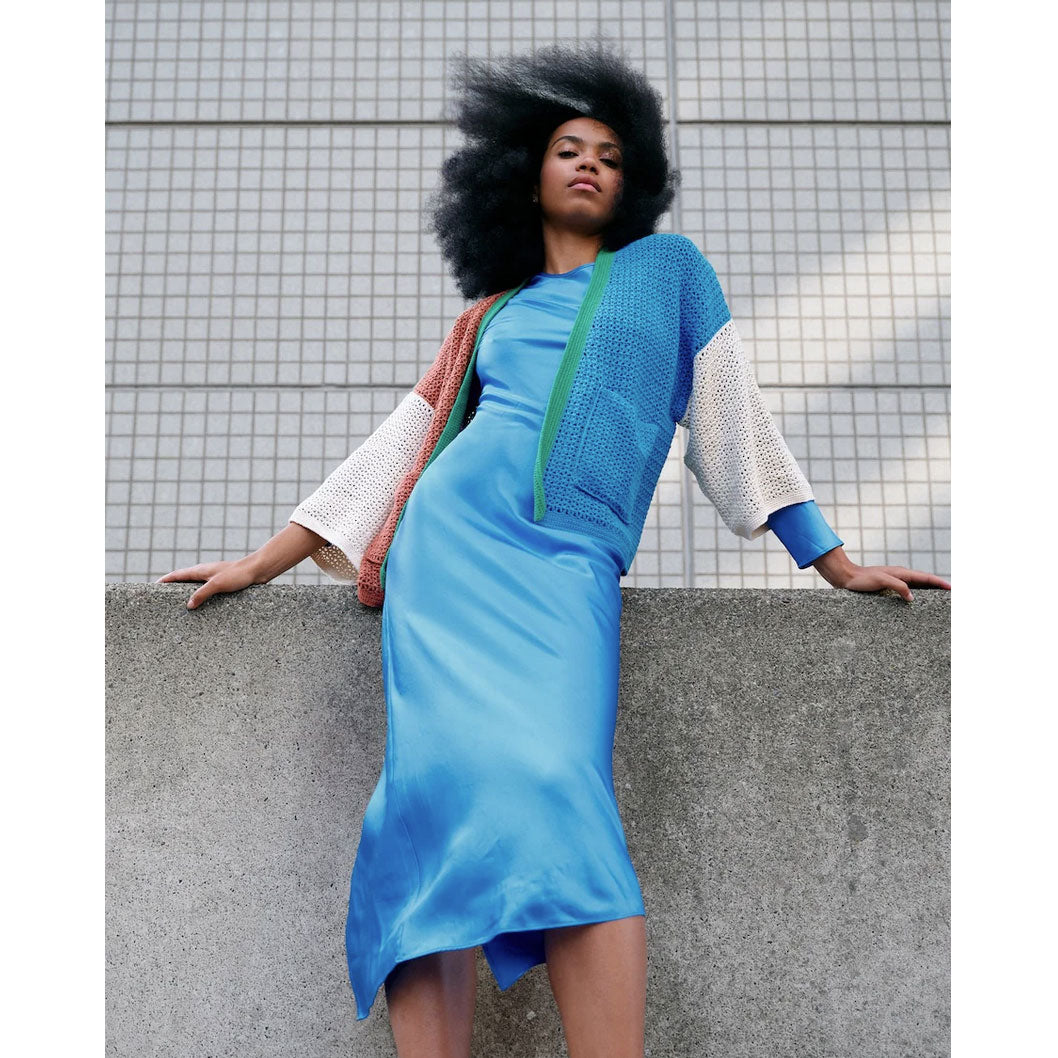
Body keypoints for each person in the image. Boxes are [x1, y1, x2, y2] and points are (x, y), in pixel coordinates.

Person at [158, 40, 951, 1058]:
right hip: (446, 566)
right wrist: (260, 561)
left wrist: (828, 555)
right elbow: (400, 441)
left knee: (557, 786)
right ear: (520, 171)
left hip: (563, 568)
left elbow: (732, 416)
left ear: (636, 183)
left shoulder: (665, 273)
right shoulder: (489, 312)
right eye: (567, 147)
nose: (589, 164)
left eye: (612, 156)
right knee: (426, 807)